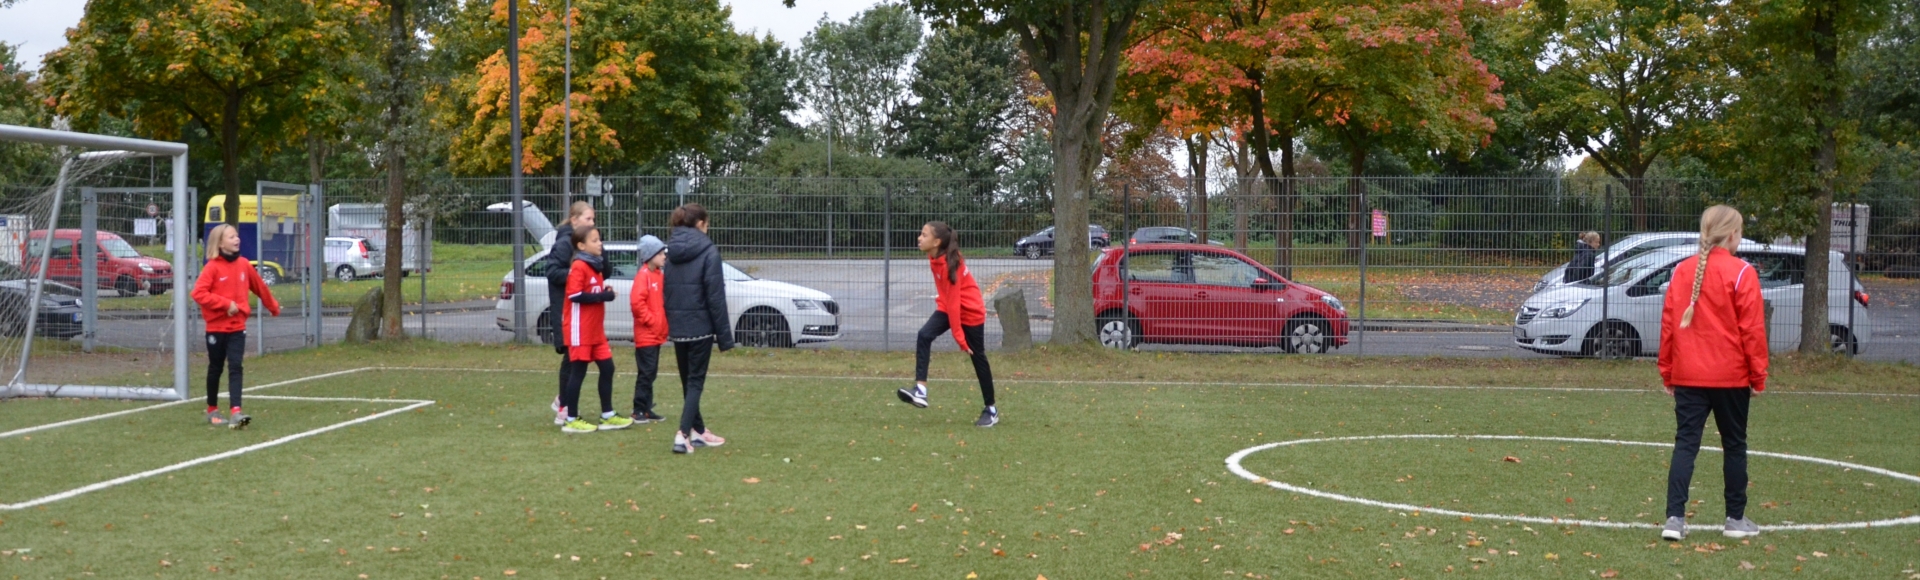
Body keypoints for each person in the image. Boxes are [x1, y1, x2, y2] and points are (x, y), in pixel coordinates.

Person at [1656, 205, 1767, 541]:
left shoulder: (1681, 271)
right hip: (1731, 377)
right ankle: (1735, 519)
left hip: (1690, 374)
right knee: (1735, 445)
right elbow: (1753, 330)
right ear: (1732, 234)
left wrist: (1668, 371)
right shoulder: (1741, 272)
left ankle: (1674, 519)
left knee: (1685, 444)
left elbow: (1668, 325)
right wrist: (1758, 374)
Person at [896, 221, 998, 428]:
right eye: (921, 233)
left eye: (924, 235)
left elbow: (954, 305)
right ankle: (921, 391)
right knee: (924, 335)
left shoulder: (949, 264)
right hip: (949, 306)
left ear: (937, 241)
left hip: (970, 311)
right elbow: (948, 302)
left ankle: (991, 410)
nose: (919, 238)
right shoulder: (934, 257)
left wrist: (960, 339)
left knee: (978, 359)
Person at [190, 223, 280, 429]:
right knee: (215, 368)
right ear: (220, 242)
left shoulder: (244, 265)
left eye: (237, 236)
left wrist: (273, 307)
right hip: (215, 329)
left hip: (237, 327)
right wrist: (225, 304)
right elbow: (198, 293)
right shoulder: (212, 267)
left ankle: (236, 412)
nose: (236, 239)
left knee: (236, 366)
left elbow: (261, 287)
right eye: (231, 237)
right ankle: (212, 410)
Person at [663, 203, 734, 454]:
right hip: (700, 327)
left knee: (688, 381)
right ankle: (683, 434)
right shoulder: (709, 252)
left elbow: (667, 291)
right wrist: (725, 337)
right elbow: (715, 297)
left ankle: (698, 431)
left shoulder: (671, 253)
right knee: (694, 382)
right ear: (701, 224)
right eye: (708, 223)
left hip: (679, 327)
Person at [558, 225, 633, 434]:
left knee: (608, 368)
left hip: (595, 330)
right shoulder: (579, 266)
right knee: (578, 372)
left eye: (599, 239)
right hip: (579, 329)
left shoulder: (594, 266)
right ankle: (571, 419)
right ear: (581, 245)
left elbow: (591, 291)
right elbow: (574, 295)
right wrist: (602, 296)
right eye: (594, 240)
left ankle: (607, 415)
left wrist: (603, 291)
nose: (600, 243)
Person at [548, 201, 595, 425]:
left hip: (579, 312)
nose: (592, 223)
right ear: (574, 220)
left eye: (593, 219)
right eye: (588, 219)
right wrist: (577, 274)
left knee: (577, 360)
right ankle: (564, 408)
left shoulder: (581, 244)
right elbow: (553, 272)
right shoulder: (564, 244)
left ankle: (563, 401)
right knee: (571, 359)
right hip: (566, 311)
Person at [628, 234, 669, 424]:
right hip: (646, 335)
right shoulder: (643, 276)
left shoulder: (658, 275)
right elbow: (637, 304)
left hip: (655, 334)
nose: (664, 256)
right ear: (650, 255)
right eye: (661, 253)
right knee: (646, 372)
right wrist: (652, 321)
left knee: (651, 372)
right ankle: (638, 410)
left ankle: (646, 407)